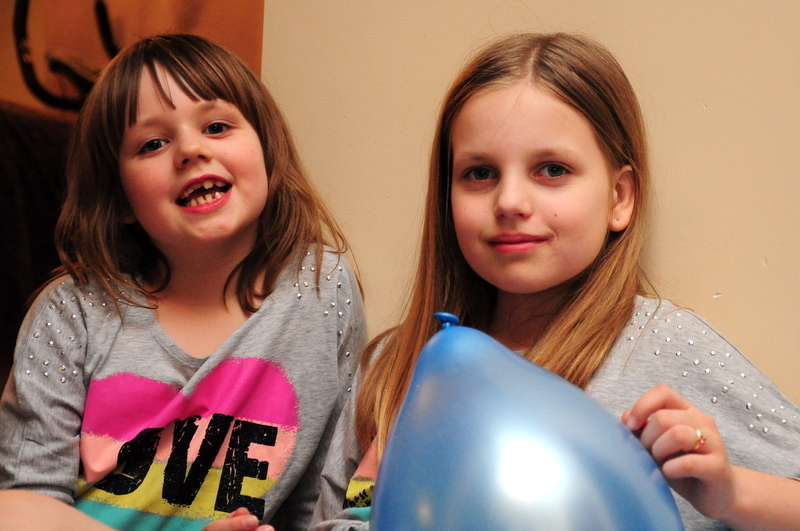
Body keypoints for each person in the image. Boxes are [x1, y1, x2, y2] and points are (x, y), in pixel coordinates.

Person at [309, 32, 800, 530]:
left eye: (552, 169)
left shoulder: (667, 347)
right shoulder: (393, 366)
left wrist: (733, 493)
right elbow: (334, 515)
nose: (509, 202)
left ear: (619, 197)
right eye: (479, 173)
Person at [0, 34, 366, 531]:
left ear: (268, 152)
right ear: (119, 199)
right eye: (153, 144)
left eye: (216, 126)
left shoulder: (323, 289)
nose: (191, 150)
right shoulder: (71, 314)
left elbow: (325, 495)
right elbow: (26, 504)